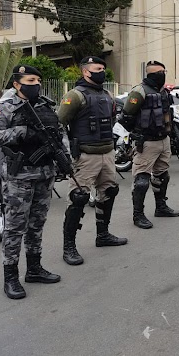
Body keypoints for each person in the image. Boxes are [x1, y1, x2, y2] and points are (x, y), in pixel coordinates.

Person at [0, 65, 62, 299]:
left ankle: (34, 268)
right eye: (30, 80)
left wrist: (64, 160)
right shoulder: (4, 108)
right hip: (19, 177)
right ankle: (10, 277)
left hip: (44, 173)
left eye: (38, 80)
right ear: (17, 84)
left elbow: (59, 135)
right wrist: (21, 132)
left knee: (36, 224)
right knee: (15, 227)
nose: (36, 84)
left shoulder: (46, 106)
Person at [57, 56, 127, 267]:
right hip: (85, 156)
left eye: (103, 68)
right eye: (98, 68)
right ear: (86, 72)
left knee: (109, 193)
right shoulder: (75, 95)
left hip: (107, 153)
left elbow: (112, 120)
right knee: (78, 198)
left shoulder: (107, 95)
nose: (102, 71)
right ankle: (69, 247)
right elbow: (59, 125)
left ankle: (103, 235)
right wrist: (67, 154)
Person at [121, 61, 179, 229]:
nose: (162, 75)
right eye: (159, 73)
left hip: (164, 140)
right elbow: (125, 116)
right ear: (150, 74)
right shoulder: (139, 91)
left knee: (163, 176)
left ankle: (161, 207)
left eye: (164, 71)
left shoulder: (163, 92)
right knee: (142, 180)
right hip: (146, 142)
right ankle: (138, 215)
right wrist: (137, 133)